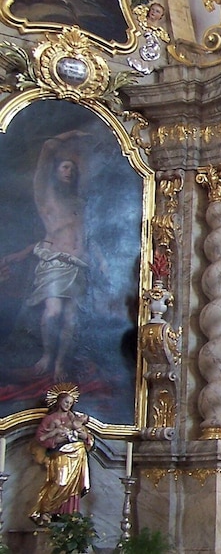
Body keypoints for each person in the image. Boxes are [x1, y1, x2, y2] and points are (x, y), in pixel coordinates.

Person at [19, 132, 93, 379]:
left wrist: (100, 262)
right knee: (52, 312)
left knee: (71, 319)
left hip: (78, 264)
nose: (69, 172)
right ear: (56, 171)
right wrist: (73, 134)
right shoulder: (46, 196)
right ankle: (47, 356)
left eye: (73, 168)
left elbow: (85, 235)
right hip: (55, 263)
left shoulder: (79, 202)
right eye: (65, 167)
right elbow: (47, 148)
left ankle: (60, 363)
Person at [30, 386, 94, 525]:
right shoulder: (50, 419)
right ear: (59, 401)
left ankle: (68, 515)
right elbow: (40, 438)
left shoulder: (74, 418)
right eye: (66, 402)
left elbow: (87, 437)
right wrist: (55, 440)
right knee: (59, 482)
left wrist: (84, 436)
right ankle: (45, 511)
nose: (68, 405)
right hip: (60, 454)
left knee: (73, 487)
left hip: (78, 455)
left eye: (70, 403)